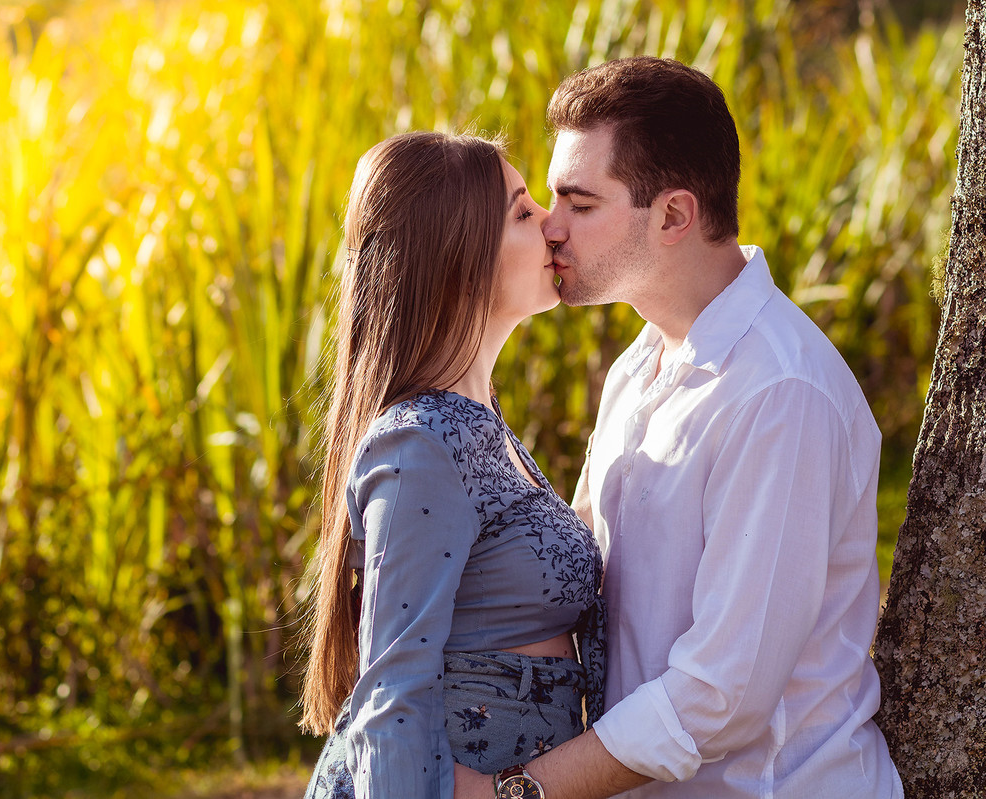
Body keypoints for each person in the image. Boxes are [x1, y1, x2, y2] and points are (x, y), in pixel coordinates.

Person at [455, 56, 903, 799]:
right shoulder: (639, 366)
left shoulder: (778, 393)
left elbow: (719, 693)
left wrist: (515, 790)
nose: (551, 228)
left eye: (581, 203)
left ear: (673, 215)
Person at [298, 131, 607, 799]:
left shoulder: (479, 424)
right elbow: (395, 693)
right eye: (524, 213)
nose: (555, 225)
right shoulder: (421, 444)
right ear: (457, 258)